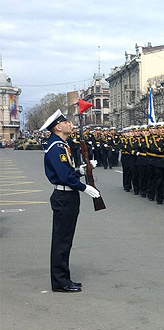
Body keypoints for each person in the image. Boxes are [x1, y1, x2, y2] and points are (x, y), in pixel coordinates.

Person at [41, 110, 100, 293]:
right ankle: (60, 282)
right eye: (66, 122)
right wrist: (85, 188)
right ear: (58, 127)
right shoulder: (57, 147)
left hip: (68, 196)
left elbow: (68, 171)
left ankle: (64, 277)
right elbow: (65, 176)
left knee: (65, 239)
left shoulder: (61, 144)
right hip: (64, 196)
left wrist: (82, 171)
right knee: (62, 240)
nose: (70, 124)